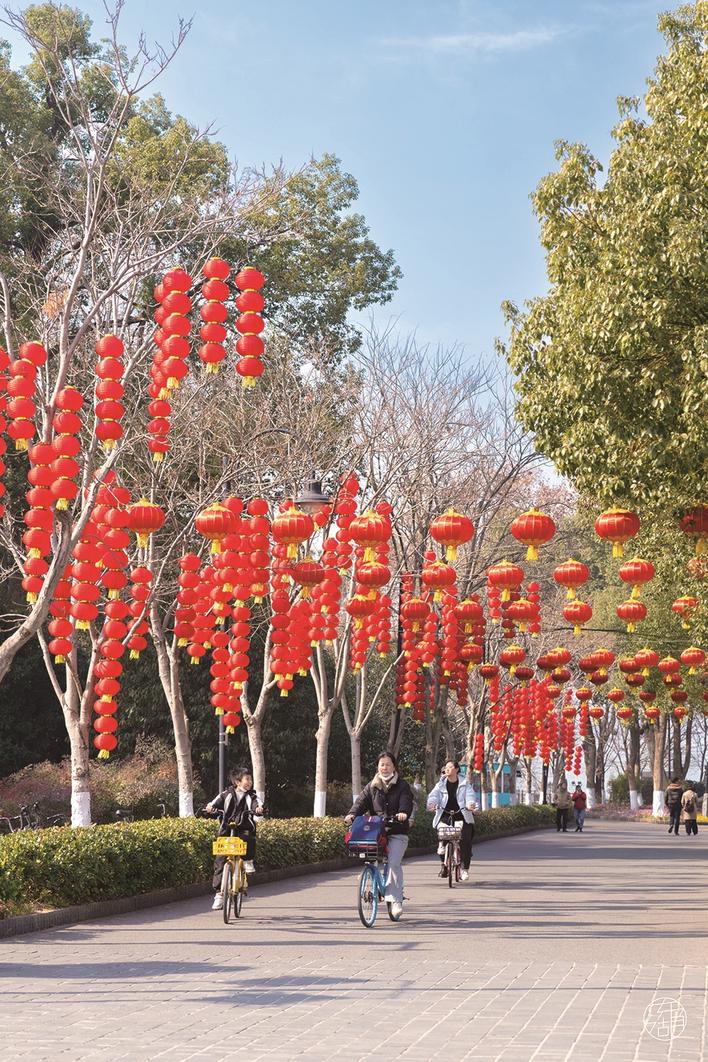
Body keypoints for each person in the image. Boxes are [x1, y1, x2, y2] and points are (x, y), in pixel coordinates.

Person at [345, 751, 413, 919]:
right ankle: (373, 883)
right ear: (377, 766)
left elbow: (406, 802)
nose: (384, 767)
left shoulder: (402, 785)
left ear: (394, 766)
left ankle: (396, 900)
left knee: (393, 864)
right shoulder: (372, 786)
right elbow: (360, 803)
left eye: (388, 764)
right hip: (376, 832)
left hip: (397, 831)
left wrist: (403, 812)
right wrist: (352, 814)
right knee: (370, 857)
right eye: (382, 764)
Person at [206, 767, 263, 911]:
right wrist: (210, 807)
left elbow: (257, 804)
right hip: (226, 829)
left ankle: (248, 861)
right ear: (237, 782)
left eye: (250, 779)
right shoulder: (226, 794)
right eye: (247, 779)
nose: (249, 782)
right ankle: (219, 894)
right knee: (220, 860)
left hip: (244, 828)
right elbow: (215, 802)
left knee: (248, 839)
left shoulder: (252, 796)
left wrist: (258, 809)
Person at [426, 760, 478, 881]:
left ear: (457, 769)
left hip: (462, 814)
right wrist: (432, 804)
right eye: (446, 767)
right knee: (442, 838)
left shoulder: (465, 783)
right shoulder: (440, 784)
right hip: (445, 814)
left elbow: (470, 796)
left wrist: (470, 804)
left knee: (465, 841)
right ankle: (443, 865)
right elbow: (433, 796)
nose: (447, 769)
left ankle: (464, 869)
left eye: (450, 767)